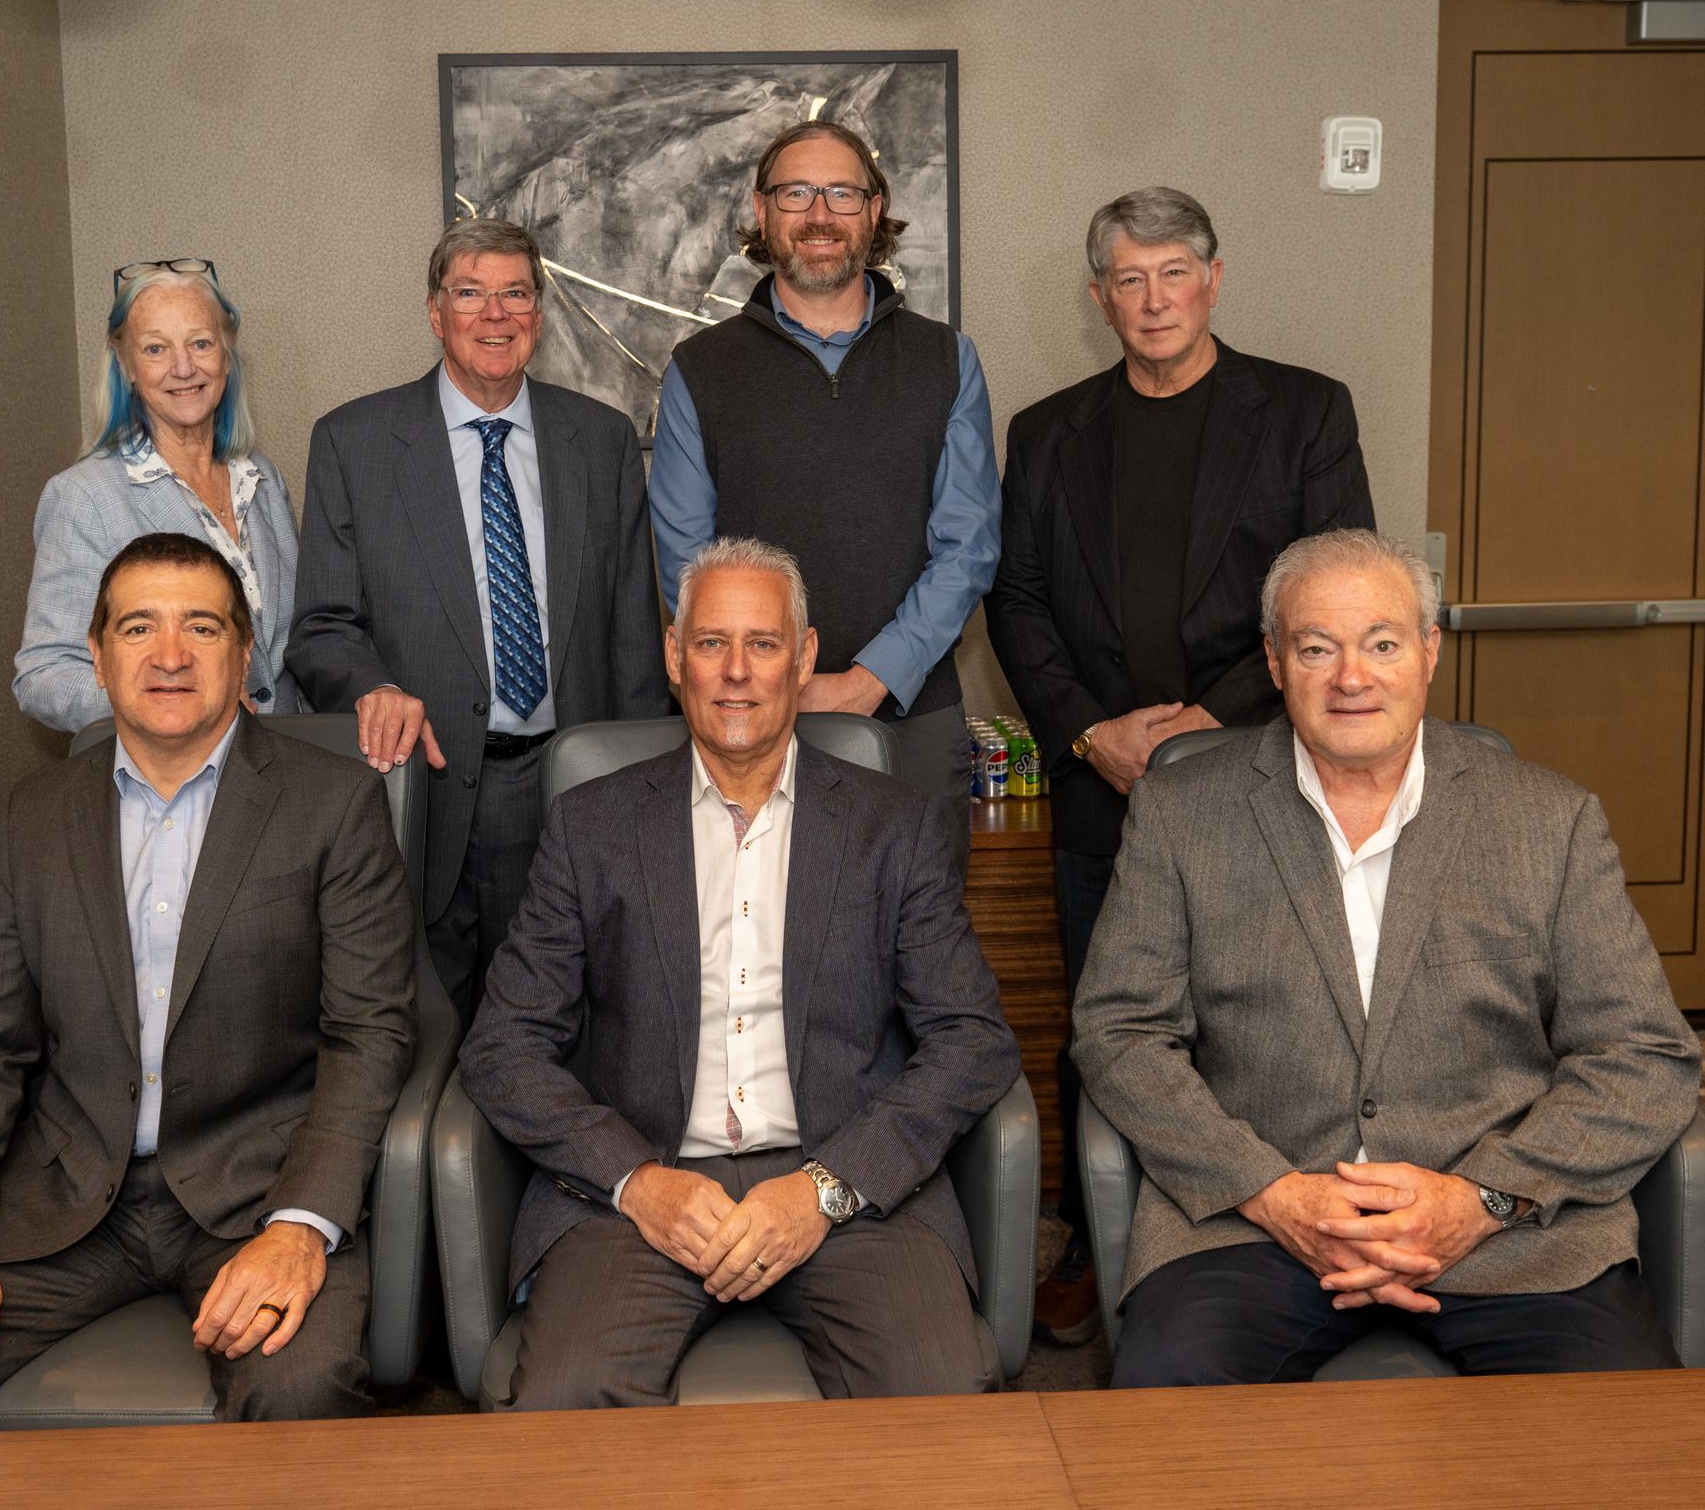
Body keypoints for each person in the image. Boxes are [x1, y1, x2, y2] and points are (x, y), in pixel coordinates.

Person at [0, 534, 417, 1433]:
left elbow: (369, 1034)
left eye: (201, 628)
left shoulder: (335, 803)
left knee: (299, 1391)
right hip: (63, 1198)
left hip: (255, 1194)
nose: (169, 655)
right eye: (138, 628)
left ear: (245, 654)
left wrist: (298, 1227)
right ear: (97, 657)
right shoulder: (35, 815)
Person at [1071, 527, 1700, 1386]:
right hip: (1255, 1232)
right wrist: (1274, 1194)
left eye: (1381, 644)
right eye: (1316, 648)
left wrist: (1480, 1199)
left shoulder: (1550, 822)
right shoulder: (1180, 815)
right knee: (1168, 1426)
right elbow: (1119, 1033)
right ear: (1275, 662)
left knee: (1623, 1438)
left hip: (1514, 1235)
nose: (1351, 678)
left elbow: (1644, 1054)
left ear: (1429, 650)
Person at [459, 537, 1021, 1408]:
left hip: (845, 1188)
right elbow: (504, 1047)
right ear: (674, 656)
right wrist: (638, 1183)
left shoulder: (894, 827)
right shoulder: (591, 826)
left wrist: (824, 1190)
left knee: (936, 1397)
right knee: (568, 1405)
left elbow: (971, 1041)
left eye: (762, 644)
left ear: (803, 657)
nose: (735, 672)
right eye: (711, 643)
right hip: (644, 1193)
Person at [984, 187, 1375, 1344]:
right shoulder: (1048, 433)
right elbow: (1017, 601)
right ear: (1099, 297)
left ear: (1212, 280)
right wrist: (1087, 733)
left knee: (1266, 1017)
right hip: (1105, 791)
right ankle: (1087, 1233)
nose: (1153, 300)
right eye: (1129, 280)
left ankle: (1270, 1221)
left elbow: (1333, 591)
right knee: (1106, 1020)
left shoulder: (1303, 413)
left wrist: (1208, 721)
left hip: (1261, 780)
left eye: (1174, 274)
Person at [288, 218, 669, 1021]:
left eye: (516, 294)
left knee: (578, 1021)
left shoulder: (601, 441)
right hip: (428, 789)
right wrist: (372, 688)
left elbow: (633, 637)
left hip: (573, 787)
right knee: (435, 1032)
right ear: (436, 313)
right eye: (470, 294)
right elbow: (322, 626)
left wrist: (639, 789)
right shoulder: (355, 443)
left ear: (539, 314)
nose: (496, 314)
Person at [648, 120, 999, 869]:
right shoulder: (699, 369)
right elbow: (688, 566)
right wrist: (772, 681)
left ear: (875, 211)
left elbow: (968, 548)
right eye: (796, 193)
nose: (819, 214)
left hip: (913, 719)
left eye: (842, 193)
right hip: (750, 719)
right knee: (749, 929)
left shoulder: (946, 359)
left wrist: (871, 681)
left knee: (918, 929)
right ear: (762, 210)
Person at [16, 259, 303, 730]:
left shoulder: (263, 479)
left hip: (285, 760)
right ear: (126, 364)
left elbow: (290, 651)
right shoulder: (83, 497)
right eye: (155, 349)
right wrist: (181, 702)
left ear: (227, 354)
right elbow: (44, 678)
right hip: (169, 765)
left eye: (200, 343)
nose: (183, 368)